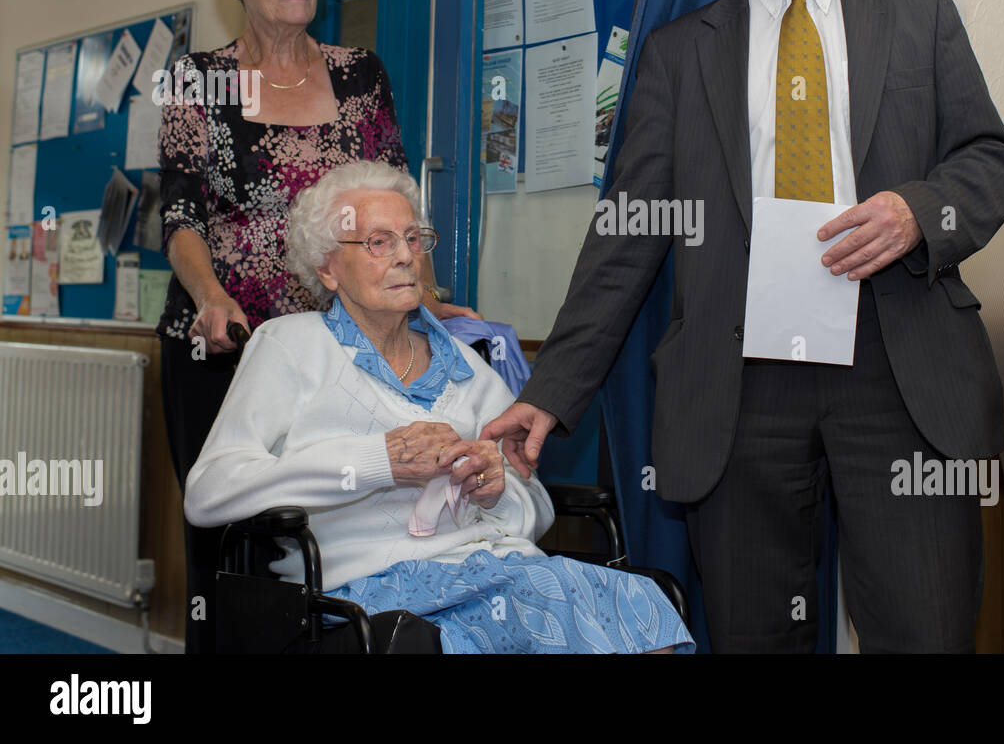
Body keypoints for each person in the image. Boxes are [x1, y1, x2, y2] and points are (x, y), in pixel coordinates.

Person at [483, 0, 1004, 652]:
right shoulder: (677, 54)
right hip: (737, 388)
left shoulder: (921, 17)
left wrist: (919, 211)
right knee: (751, 635)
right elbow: (627, 236)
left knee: (927, 629)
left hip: (900, 368)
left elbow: (992, 163)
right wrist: (550, 393)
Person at [183, 162, 694, 654]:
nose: (405, 256)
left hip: (495, 569)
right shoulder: (291, 345)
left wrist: (498, 492)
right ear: (328, 268)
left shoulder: (468, 367)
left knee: (642, 605)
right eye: (379, 243)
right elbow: (208, 494)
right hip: (364, 586)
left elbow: (535, 508)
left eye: (413, 239)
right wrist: (377, 461)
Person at [157, 0, 475, 653]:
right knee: (230, 545)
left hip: (337, 349)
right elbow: (182, 215)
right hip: (225, 345)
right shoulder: (197, 80)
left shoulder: (360, 72)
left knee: (336, 532)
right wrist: (210, 296)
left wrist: (423, 296)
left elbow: (396, 194)